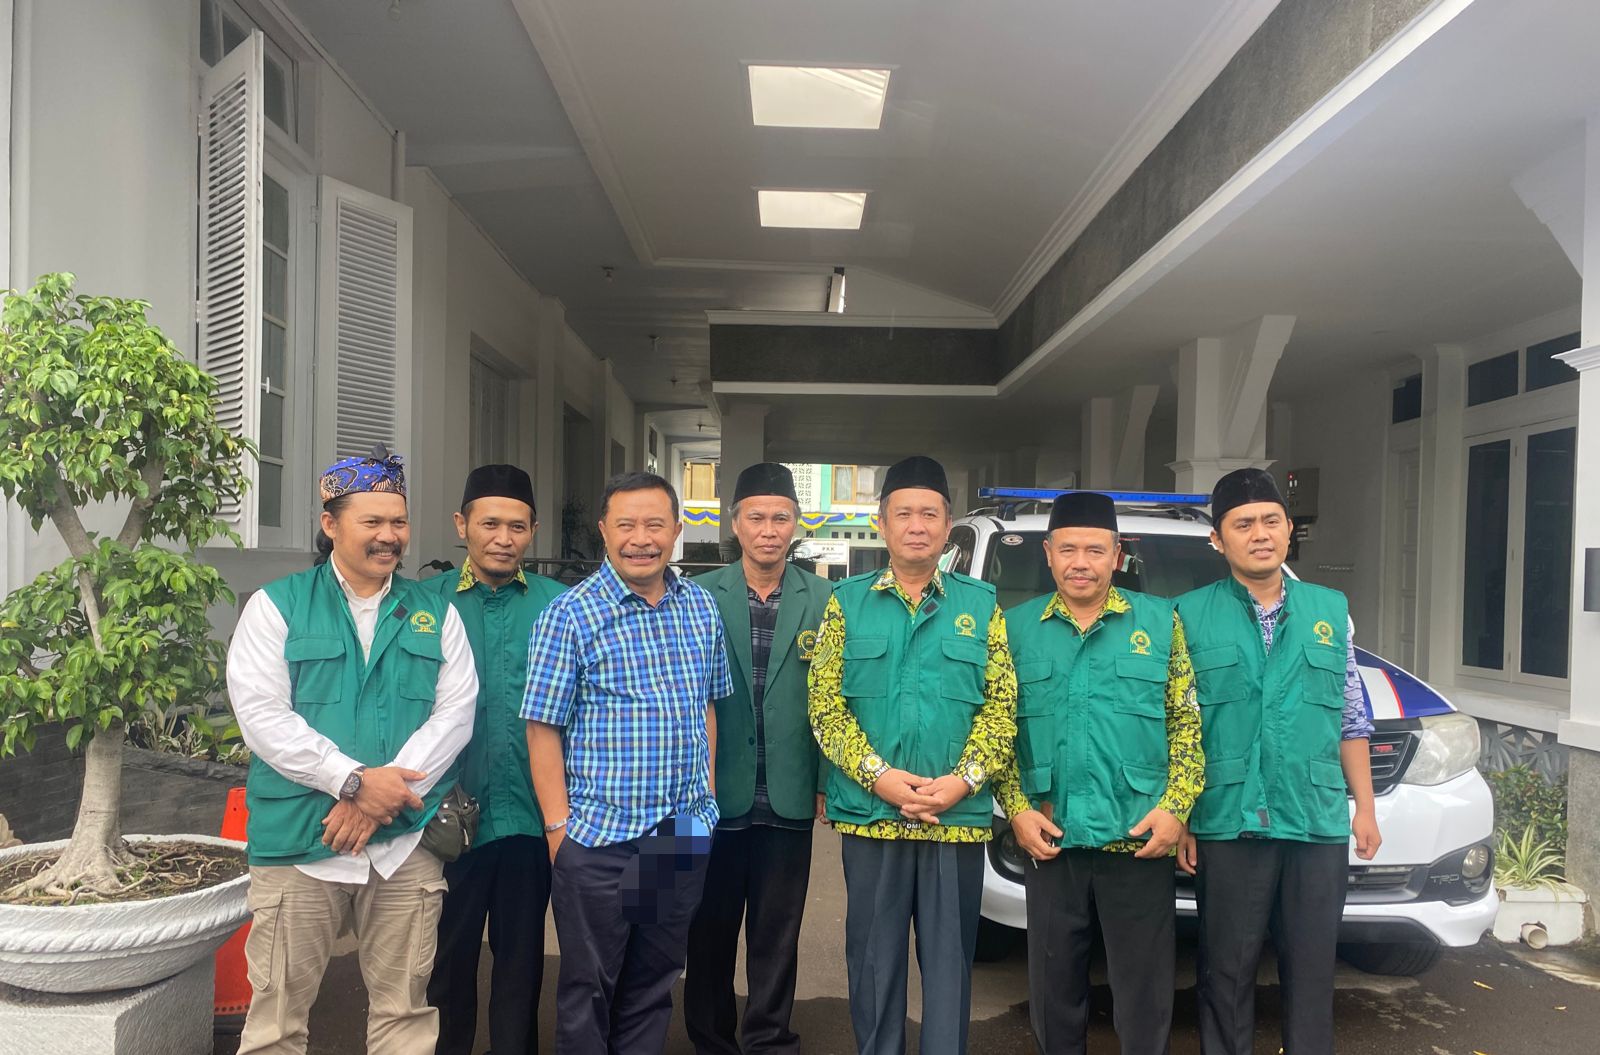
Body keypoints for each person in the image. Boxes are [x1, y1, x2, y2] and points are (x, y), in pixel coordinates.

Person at [227, 446, 477, 1055]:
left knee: (404, 1015)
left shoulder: (435, 611)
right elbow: (262, 716)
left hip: (404, 845)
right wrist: (354, 781)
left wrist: (377, 798)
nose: (389, 536)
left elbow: (455, 714)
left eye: (399, 522)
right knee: (276, 1022)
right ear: (331, 524)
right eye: (373, 522)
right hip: (300, 841)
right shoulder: (277, 606)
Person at [808, 455, 1017, 1055]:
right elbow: (824, 706)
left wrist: (962, 781)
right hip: (873, 814)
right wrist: (879, 778)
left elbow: (1001, 709)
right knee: (873, 962)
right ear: (881, 523)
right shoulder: (846, 603)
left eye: (929, 514)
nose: (917, 526)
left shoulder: (981, 606)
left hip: (956, 818)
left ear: (949, 525)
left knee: (950, 966)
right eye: (904, 514)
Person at [521, 471, 732, 1055]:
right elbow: (542, 728)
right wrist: (559, 830)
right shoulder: (570, 615)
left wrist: (705, 801)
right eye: (627, 525)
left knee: (651, 984)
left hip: (677, 835)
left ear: (677, 530)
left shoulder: (700, 607)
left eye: (655, 524)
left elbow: (707, 707)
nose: (641, 539)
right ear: (604, 531)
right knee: (589, 987)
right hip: (600, 841)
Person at [1175, 467, 1381, 1055]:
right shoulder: (1187, 616)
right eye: (1243, 524)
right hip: (1228, 818)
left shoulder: (1330, 611)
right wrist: (1182, 815)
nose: (1260, 534)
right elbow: (1178, 727)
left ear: (1290, 530)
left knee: (1313, 972)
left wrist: (1365, 809)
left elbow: (1350, 716)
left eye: (1271, 521)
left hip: (1315, 817)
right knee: (1226, 972)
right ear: (1218, 540)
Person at [993, 491, 1203, 1055]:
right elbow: (998, 730)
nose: (1080, 562)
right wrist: (1016, 809)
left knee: (1144, 995)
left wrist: (1175, 809)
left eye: (1094, 550)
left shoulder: (1160, 623)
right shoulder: (1013, 629)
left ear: (1116, 554)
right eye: (1068, 550)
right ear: (1048, 554)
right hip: (1050, 838)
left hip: (1138, 838)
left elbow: (1187, 723)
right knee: (1054, 992)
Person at [685, 463, 833, 1055]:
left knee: (777, 933)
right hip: (709, 795)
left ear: (796, 524)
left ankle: (769, 1039)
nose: (768, 530)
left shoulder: (825, 598)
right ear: (735, 523)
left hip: (789, 791)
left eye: (780, 518)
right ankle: (710, 1038)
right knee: (707, 928)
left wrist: (826, 779)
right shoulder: (697, 596)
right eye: (756, 518)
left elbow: (836, 701)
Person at [425, 465, 565, 1055]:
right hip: (443, 822)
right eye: (489, 524)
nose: (503, 539)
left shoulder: (559, 606)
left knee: (522, 963)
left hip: (532, 819)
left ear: (533, 530)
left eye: (517, 526)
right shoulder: (425, 603)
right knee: (445, 964)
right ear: (462, 525)